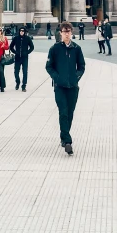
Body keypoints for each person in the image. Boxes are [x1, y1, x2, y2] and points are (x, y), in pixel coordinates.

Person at [45, 22, 85, 156]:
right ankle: (67, 142)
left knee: (70, 113)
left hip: (73, 86)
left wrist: (76, 77)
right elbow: (49, 66)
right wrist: (57, 78)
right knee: (63, 112)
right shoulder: (55, 49)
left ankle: (63, 137)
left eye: (68, 31)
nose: (66, 34)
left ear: (71, 33)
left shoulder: (77, 49)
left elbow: (81, 66)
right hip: (60, 87)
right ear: (60, 33)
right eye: (64, 31)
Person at [10, 26, 34, 91]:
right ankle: (17, 82)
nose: (21, 32)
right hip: (17, 58)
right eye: (20, 31)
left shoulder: (28, 38)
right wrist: (15, 52)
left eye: (23, 31)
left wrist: (27, 52)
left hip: (24, 58)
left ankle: (24, 86)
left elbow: (32, 47)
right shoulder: (16, 38)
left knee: (25, 72)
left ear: (25, 32)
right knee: (16, 72)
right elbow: (11, 47)